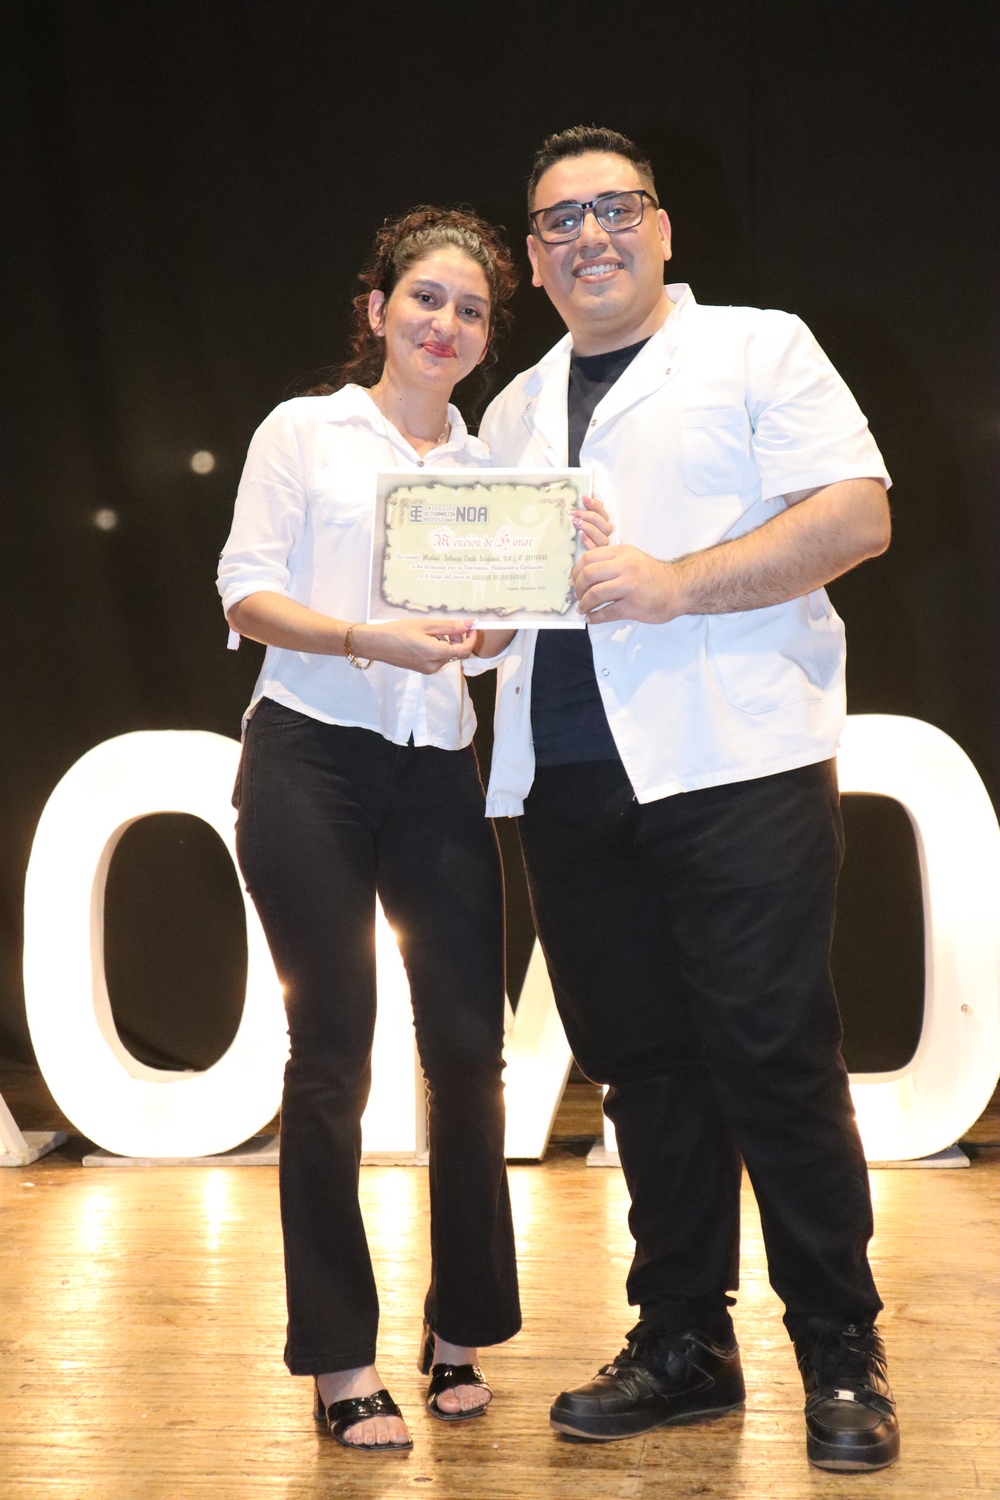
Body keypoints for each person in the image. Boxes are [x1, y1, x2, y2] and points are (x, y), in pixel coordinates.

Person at [476, 127, 900, 1473]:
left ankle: (840, 1348)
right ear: (533, 257)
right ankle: (682, 1343)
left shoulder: (758, 348)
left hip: (737, 761)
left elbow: (856, 515)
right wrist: (466, 622)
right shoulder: (513, 409)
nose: (589, 236)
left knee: (773, 1056)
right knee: (643, 1069)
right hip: (569, 777)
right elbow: (502, 587)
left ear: (663, 229)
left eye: (615, 208)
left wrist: (678, 583)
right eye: (559, 221)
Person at [217, 207, 529, 1454]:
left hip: (437, 764)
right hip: (310, 756)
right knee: (331, 1053)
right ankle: (340, 1360)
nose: (446, 324)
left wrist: (495, 629)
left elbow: (491, 634)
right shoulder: (304, 431)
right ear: (377, 309)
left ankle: (461, 1332)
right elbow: (245, 590)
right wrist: (362, 637)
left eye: (471, 310)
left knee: (467, 1051)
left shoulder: (491, 470)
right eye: (426, 299)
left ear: (487, 336)